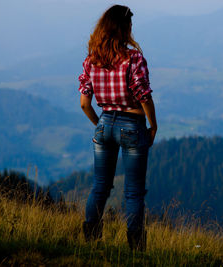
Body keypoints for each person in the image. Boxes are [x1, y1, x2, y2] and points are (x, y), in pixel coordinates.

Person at [78, 5, 157, 251]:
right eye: (130, 25)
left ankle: (91, 237)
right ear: (122, 29)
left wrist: (100, 125)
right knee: (133, 192)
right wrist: (152, 125)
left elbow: (84, 103)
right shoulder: (133, 59)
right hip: (132, 124)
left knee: (100, 186)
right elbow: (143, 95)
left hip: (104, 123)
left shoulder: (92, 59)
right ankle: (135, 246)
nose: (132, 29)